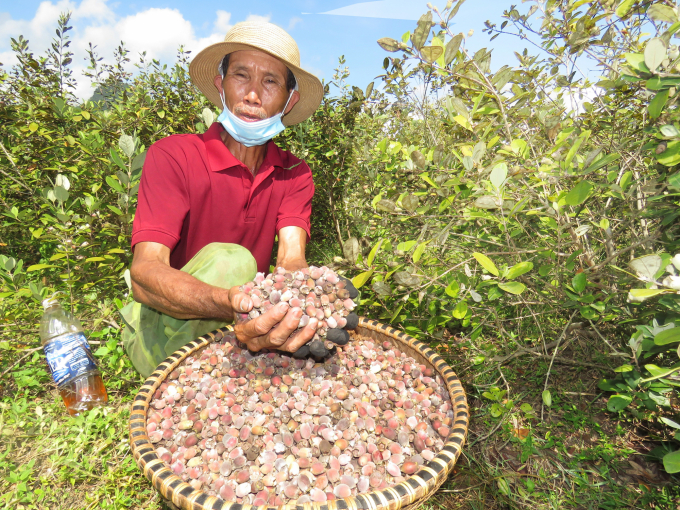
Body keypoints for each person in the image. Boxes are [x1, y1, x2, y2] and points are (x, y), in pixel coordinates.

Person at [120, 21, 353, 378]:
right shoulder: (174, 155)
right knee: (233, 259)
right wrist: (234, 302)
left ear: (289, 101)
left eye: (270, 81)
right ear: (221, 84)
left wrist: (308, 299)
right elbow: (145, 273)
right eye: (241, 76)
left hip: (241, 324)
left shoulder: (294, 172)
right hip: (166, 326)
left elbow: (292, 258)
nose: (253, 95)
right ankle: (171, 369)